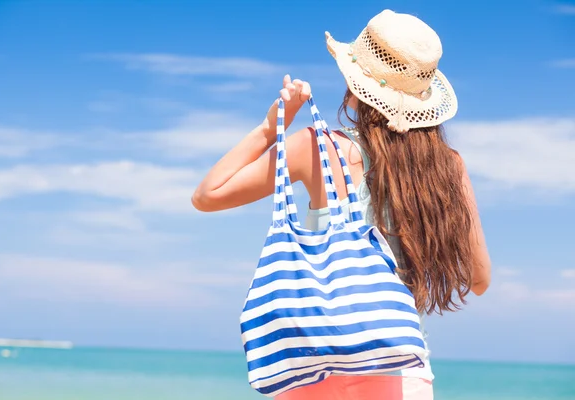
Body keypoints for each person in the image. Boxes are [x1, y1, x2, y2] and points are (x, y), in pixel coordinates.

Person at [192, 9, 491, 400]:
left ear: (355, 86)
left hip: (311, 367)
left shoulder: (318, 146)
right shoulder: (447, 168)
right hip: (398, 368)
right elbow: (479, 279)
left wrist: (273, 126)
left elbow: (208, 195)